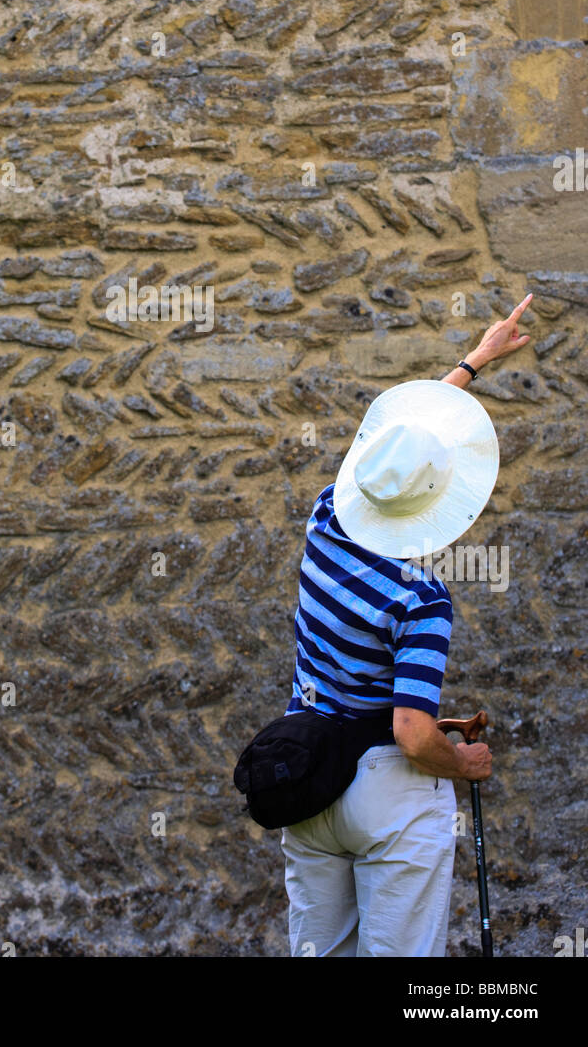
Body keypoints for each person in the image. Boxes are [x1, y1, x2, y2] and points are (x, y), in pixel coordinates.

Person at [281, 293, 534, 957]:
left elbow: (397, 460)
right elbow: (410, 733)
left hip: (306, 774)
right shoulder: (421, 599)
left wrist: (474, 362)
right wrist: (465, 763)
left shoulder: (327, 515)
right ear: (440, 501)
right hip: (385, 794)